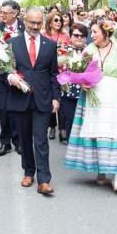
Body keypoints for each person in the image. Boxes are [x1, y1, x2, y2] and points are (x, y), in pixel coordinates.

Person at [63, 20, 117, 193]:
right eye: (91, 32)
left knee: (115, 134)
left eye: (94, 32)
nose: (91, 36)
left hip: (115, 96)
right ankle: (100, 168)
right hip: (94, 97)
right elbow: (80, 72)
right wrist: (83, 84)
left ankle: (116, 175)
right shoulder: (89, 50)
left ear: (105, 33)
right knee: (98, 134)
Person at [6, 6, 61, 195]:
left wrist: (56, 97)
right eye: (32, 23)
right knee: (24, 139)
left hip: (43, 99)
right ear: (24, 20)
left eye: (39, 23)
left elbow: (54, 74)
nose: (35, 26)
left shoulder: (50, 45)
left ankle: (44, 180)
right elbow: (5, 69)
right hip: (20, 99)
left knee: (41, 140)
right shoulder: (13, 43)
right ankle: (28, 172)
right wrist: (10, 77)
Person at [0, 0, 24, 157]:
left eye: (5, 13)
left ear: (15, 13)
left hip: (19, 75)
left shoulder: (24, 27)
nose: (1, 15)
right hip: (0, 74)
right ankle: (5, 142)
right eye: (1, 12)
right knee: (2, 109)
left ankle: (19, 141)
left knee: (17, 110)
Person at [57, 22, 88, 145]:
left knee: (87, 123)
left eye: (82, 35)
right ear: (70, 36)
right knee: (71, 121)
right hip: (68, 93)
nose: (79, 38)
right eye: (76, 35)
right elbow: (57, 69)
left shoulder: (90, 50)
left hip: (87, 92)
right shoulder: (62, 50)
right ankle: (73, 149)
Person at [43, 11, 69, 141]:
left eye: (60, 20)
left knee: (62, 100)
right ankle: (52, 126)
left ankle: (62, 130)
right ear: (50, 22)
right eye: (56, 20)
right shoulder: (44, 36)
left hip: (63, 71)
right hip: (48, 72)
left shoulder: (65, 36)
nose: (58, 23)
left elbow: (69, 52)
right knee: (52, 99)